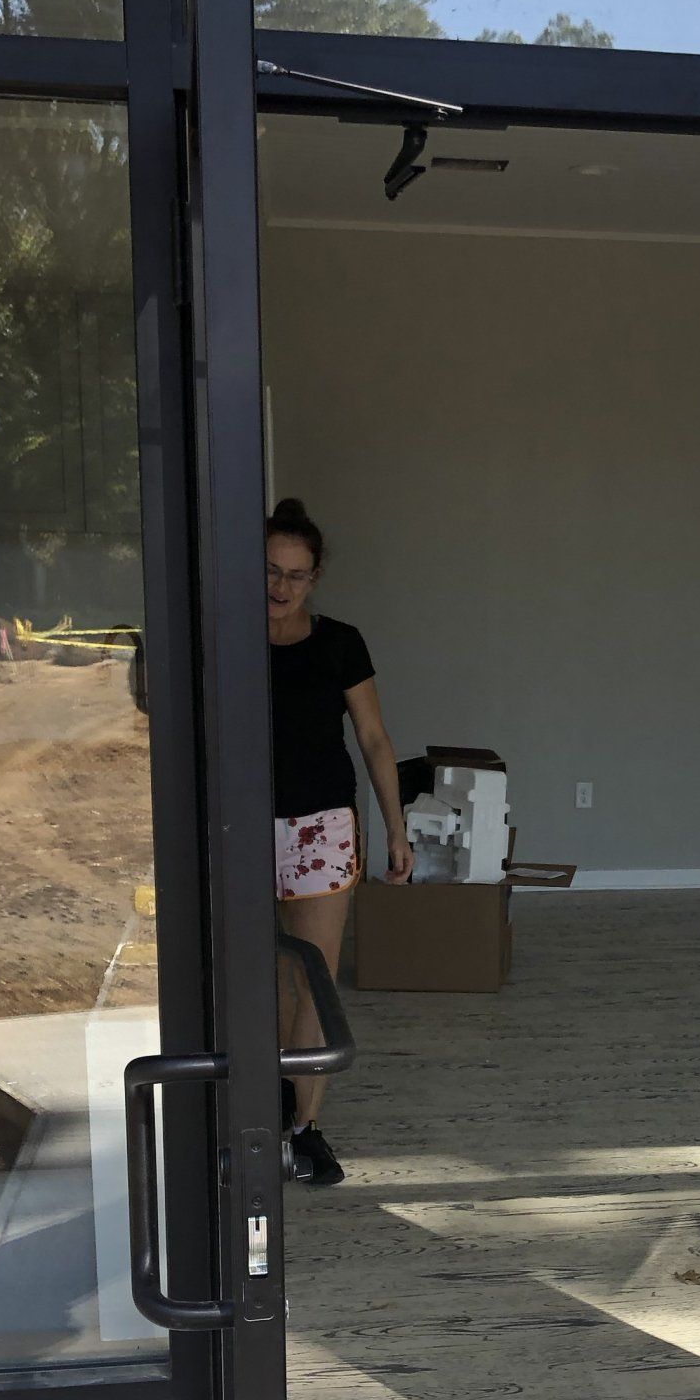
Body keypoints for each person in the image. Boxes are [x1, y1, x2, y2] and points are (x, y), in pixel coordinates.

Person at [265, 495, 411, 1184]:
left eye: (295, 574)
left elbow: (375, 740)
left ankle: (304, 1128)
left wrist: (396, 829)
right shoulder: (228, 639)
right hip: (239, 825)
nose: (280, 587)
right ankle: (260, 1106)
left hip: (321, 827)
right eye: (270, 570)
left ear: (315, 577)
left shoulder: (340, 643)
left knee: (313, 979)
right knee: (261, 980)